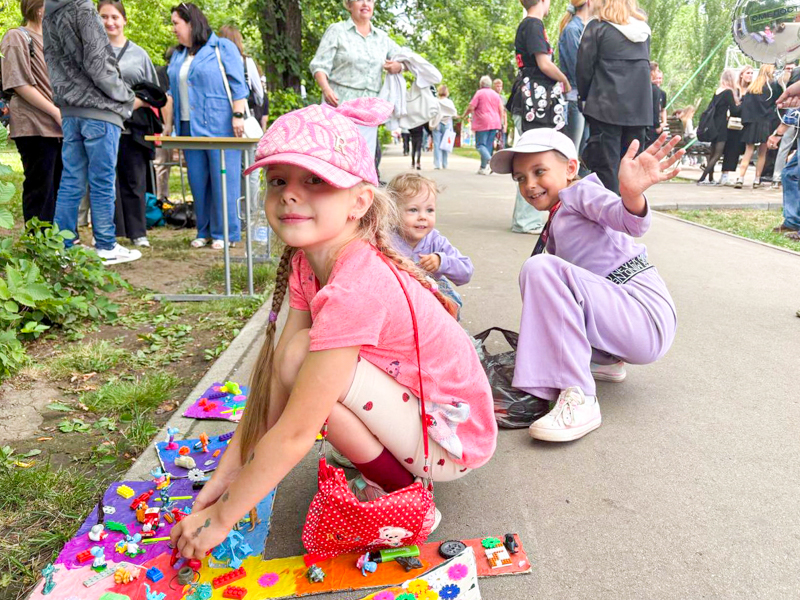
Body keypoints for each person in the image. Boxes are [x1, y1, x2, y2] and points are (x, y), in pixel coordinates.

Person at [168, 98, 497, 557]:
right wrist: (228, 473)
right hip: (422, 413)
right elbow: (274, 388)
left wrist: (221, 518)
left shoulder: (356, 285)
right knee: (293, 358)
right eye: (278, 180)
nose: (289, 194)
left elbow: (298, 428)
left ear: (359, 202)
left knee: (305, 361)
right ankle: (393, 469)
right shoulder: (311, 261)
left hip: (453, 437)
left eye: (316, 181)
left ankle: (408, 497)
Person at [489, 128, 680, 442]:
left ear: (571, 169)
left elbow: (628, 220)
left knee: (541, 270)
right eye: (520, 178)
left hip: (642, 312)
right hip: (626, 316)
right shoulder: (559, 214)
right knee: (543, 277)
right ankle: (604, 361)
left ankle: (580, 398)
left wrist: (632, 195)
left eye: (539, 172)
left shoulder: (579, 193)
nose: (530, 184)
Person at [43, 0, 144, 264]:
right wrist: (125, 97)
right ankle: (106, 245)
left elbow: (51, 61)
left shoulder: (49, 11)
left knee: (71, 179)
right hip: (99, 110)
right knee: (101, 180)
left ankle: (61, 245)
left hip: (70, 110)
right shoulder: (83, 8)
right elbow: (100, 65)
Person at [167, 2, 248, 249]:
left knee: (224, 180)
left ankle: (226, 233)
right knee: (198, 180)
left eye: (176, 24)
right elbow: (173, 92)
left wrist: (238, 115)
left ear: (191, 23)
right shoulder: (179, 54)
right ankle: (203, 231)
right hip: (187, 127)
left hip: (220, 124)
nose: (173, 29)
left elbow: (238, 85)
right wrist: (168, 126)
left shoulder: (222, 47)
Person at [98, 0, 160, 249]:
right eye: (104, 17)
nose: (110, 22)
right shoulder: (91, 52)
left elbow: (155, 92)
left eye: (114, 16)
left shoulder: (139, 53)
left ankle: (137, 231)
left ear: (124, 20)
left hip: (133, 126)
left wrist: (133, 104)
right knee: (103, 179)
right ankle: (107, 231)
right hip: (102, 123)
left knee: (134, 178)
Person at [309, 0, 404, 162]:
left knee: (366, 160)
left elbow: (406, 60)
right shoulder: (337, 31)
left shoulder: (382, 37)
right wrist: (326, 89)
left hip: (369, 110)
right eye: (360, 0)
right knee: (339, 158)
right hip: (339, 105)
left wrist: (399, 66)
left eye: (370, 0)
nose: (365, 4)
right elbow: (319, 66)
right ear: (349, 5)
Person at [577, 0, 653, 195]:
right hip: (638, 110)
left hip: (605, 108)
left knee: (606, 171)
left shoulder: (597, 27)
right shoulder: (643, 31)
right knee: (631, 171)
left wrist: (584, 98)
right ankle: (627, 219)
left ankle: (606, 220)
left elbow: (584, 69)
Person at [508, 0, 571, 234]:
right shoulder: (534, 25)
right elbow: (544, 64)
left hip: (530, 101)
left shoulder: (527, 24)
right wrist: (564, 79)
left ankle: (526, 219)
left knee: (532, 160)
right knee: (534, 160)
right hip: (535, 102)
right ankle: (527, 221)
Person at [0, 0, 62, 224]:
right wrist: (55, 112)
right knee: (41, 188)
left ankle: (61, 245)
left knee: (61, 187)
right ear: (38, 7)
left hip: (62, 127)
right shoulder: (16, 37)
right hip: (35, 126)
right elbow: (19, 83)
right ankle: (39, 246)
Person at [387, 173, 474, 314]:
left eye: (430, 210)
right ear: (393, 213)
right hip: (399, 298)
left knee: (449, 304)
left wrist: (441, 262)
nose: (423, 217)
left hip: (431, 298)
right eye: (413, 210)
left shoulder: (436, 241)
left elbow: (466, 271)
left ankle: (447, 332)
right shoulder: (386, 240)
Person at [218, 24, 264, 205]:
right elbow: (259, 94)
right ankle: (250, 211)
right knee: (251, 169)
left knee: (229, 168)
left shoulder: (215, 62)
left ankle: (233, 211)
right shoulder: (246, 62)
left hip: (221, 121)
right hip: (245, 118)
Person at [734, 64, 779, 189]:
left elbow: (745, 107)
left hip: (751, 123)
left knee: (748, 151)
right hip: (765, 122)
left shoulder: (752, 88)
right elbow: (776, 103)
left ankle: (740, 178)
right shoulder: (772, 87)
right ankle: (757, 179)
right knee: (762, 153)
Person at [697, 69, 740, 185]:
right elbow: (734, 110)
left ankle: (710, 178)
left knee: (712, 152)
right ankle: (702, 178)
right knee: (717, 154)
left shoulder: (718, 91)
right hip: (722, 126)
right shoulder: (728, 93)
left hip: (713, 125)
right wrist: (742, 104)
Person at [558, 0, 590, 154]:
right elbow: (577, 67)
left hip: (585, 98)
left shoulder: (583, 28)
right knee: (572, 153)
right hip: (575, 98)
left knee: (586, 154)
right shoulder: (572, 30)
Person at [462, 75, 504, 175]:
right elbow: (501, 109)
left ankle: (490, 161)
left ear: (481, 84)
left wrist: (464, 115)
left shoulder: (479, 93)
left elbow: (471, 107)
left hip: (482, 122)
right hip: (495, 122)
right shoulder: (495, 94)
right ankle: (482, 168)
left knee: (480, 145)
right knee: (488, 146)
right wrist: (501, 122)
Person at [720, 66, 752, 186]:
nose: (750, 75)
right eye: (747, 73)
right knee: (730, 148)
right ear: (742, 75)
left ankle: (733, 173)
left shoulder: (751, 90)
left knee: (739, 149)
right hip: (733, 123)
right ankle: (725, 174)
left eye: (751, 73)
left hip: (745, 123)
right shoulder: (735, 89)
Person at [153, 46, 176, 203]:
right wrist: (167, 126)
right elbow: (163, 100)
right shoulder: (162, 73)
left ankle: (164, 196)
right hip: (163, 125)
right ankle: (161, 198)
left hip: (176, 123)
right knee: (162, 163)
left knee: (166, 163)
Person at [431, 84, 456, 170]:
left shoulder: (435, 101)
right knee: (446, 143)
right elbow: (454, 113)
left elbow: (432, 112)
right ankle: (445, 164)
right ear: (446, 92)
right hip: (447, 124)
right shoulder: (449, 102)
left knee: (437, 144)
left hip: (437, 123)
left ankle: (437, 164)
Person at [646, 63, 667, 146]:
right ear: (652, 72)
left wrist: (664, 122)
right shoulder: (654, 89)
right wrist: (657, 125)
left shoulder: (662, 93)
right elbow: (655, 108)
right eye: (657, 71)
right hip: (651, 126)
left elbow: (662, 109)